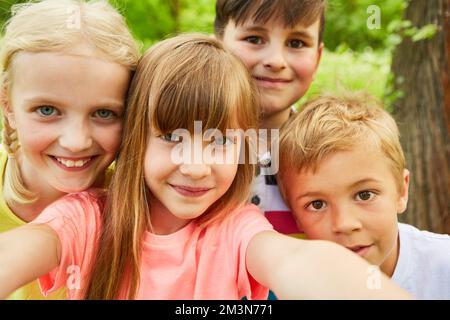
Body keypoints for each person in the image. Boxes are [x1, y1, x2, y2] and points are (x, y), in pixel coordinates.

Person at [0, 34, 410, 300]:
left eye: (218, 141)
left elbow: (298, 263)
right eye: (172, 138)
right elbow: (20, 251)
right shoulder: (88, 221)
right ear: (134, 139)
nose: (195, 166)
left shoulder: (237, 230)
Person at [0, 0, 139, 299]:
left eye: (104, 113)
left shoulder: (141, 208)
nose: (76, 141)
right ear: (8, 105)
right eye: (47, 110)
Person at [277, 93, 450, 299]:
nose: (344, 224)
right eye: (317, 204)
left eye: (365, 195)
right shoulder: (294, 289)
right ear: (295, 217)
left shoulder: (443, 266)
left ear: (401, 191)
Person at [215, 0, 325, 238]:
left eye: (296, 43)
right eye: (254, 39)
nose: (275, 61)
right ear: (217, 45)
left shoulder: (331, 154)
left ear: (317, 58)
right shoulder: (186, 148)